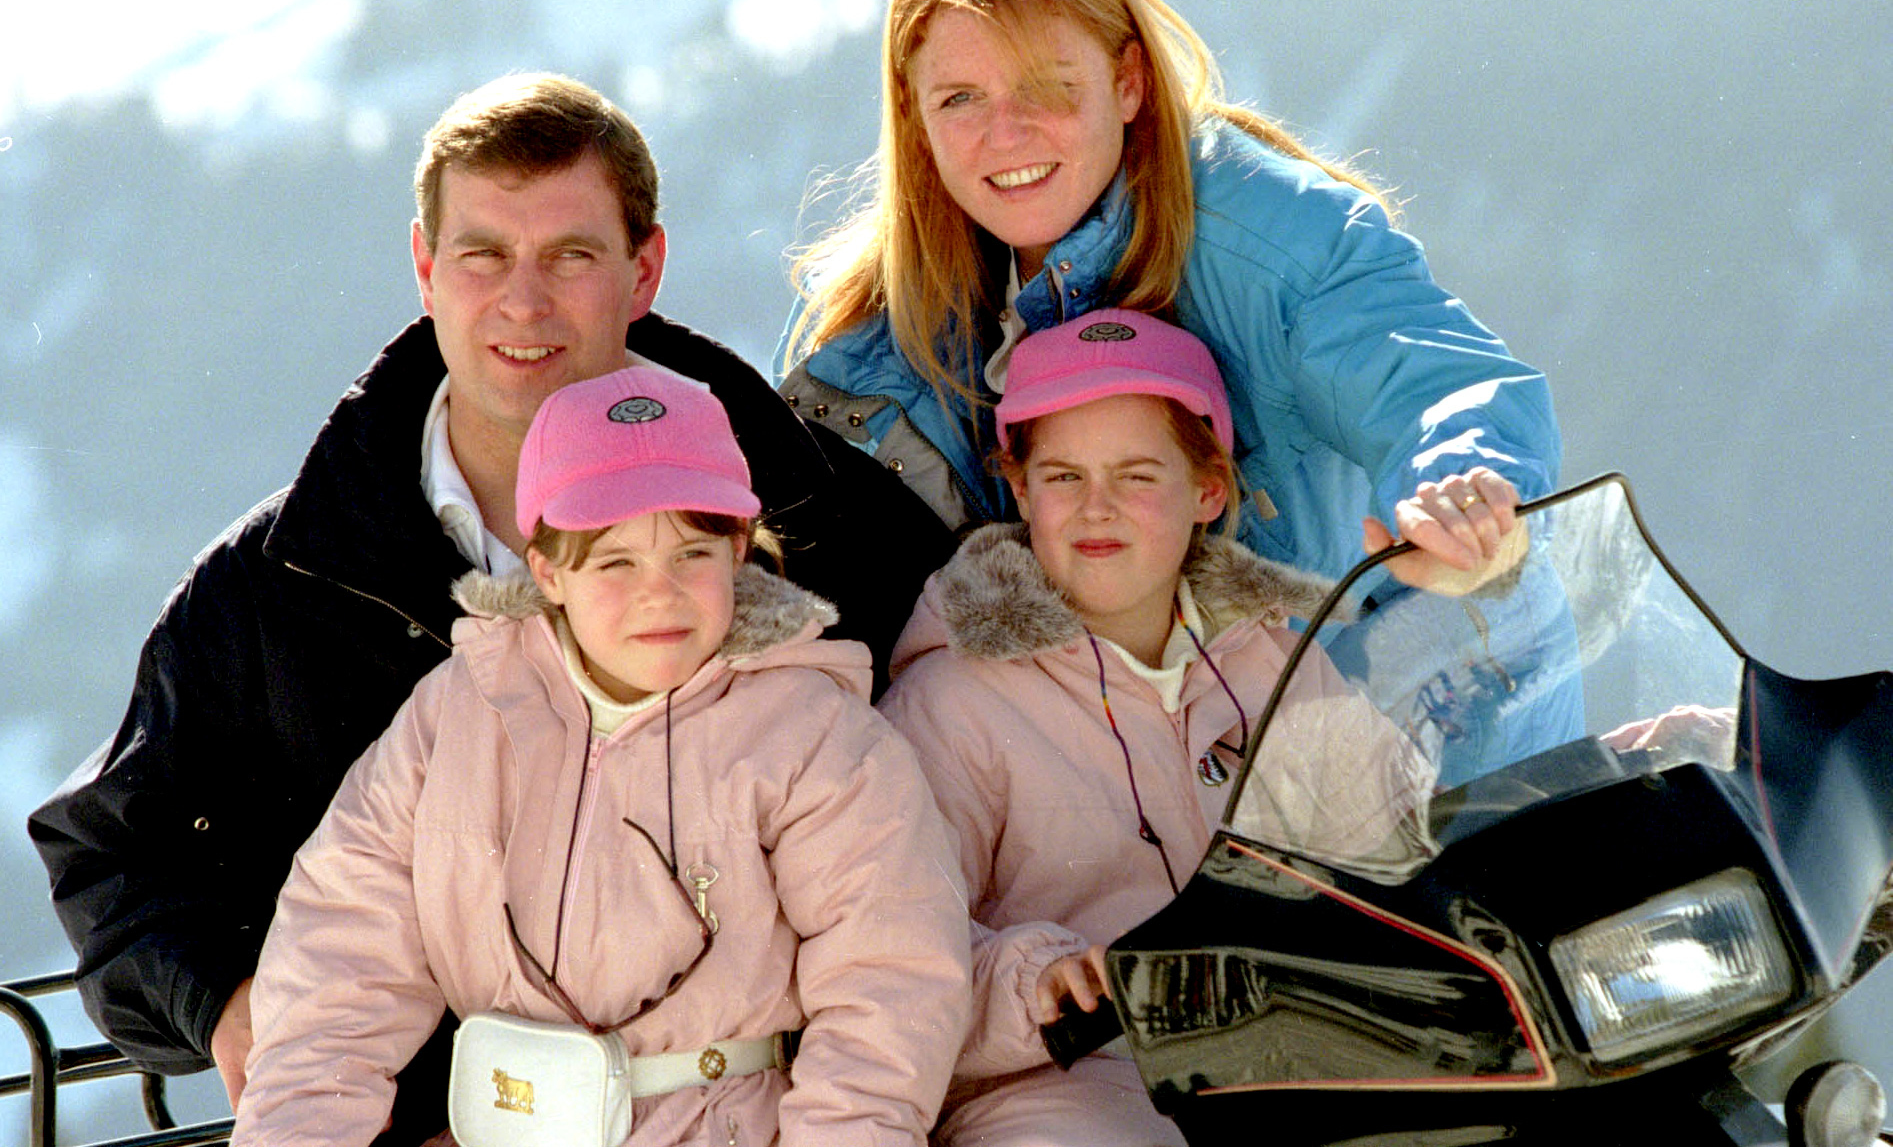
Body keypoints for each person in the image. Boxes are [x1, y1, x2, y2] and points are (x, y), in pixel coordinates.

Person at [28, 72, 949, 1144]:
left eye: (571, 255)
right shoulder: (284, 578)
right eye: (483, 255)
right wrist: (236, 1007)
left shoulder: (829, 520)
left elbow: (969, 806)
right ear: (425, 267)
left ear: (643, 269)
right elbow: (114, 855)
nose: (525, 301)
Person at [231, 366, 969, 1147]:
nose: (660, 593)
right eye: (616, 561)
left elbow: (887, 987)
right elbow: (337, 966)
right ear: (546, 567)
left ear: (739, 552)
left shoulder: (813, 736)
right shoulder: (458, 716)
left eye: (692, 553)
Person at [779, 0, 1558, 588]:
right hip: (1114, 744)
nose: (1005, 134)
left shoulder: (1272, 237)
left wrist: (1461, 501)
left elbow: (1433, 380)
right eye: (959, 99)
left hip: (1425, 710)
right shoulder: (857, 343)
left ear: (1128, 82)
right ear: (913, 117)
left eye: (1048, 86)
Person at [876, 311, 1438, 1147]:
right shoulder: (951, 701)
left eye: (1138, 476)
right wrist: (1038, 981)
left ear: (1207, 490)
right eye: (1062, 477)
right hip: (1067, 1082)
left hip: (1292, 1058)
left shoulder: (1277, 664)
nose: (1095, 509)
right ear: (1020, 488)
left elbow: (1396, 856)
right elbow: (890, 949)